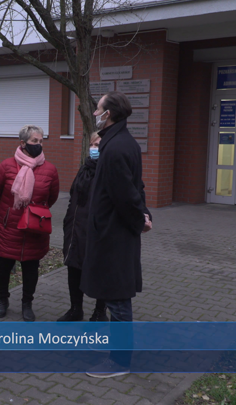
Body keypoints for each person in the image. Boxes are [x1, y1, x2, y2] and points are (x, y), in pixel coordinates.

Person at [82, 92, 153, 379]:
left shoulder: (115, 147)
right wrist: (144, 214)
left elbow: (126, 193)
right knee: (114, 295)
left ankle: (120, 361)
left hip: (114, 234)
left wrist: (140, 219)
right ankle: (116, 350)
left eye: (98, 108)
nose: (95, 113)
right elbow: (136, 186)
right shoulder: (120, 142)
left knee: (118, 298)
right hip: (113, 231)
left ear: (108, 113)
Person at [0, 125, 60, 322]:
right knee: (3, 267)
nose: (39, 144)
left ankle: (27, 304)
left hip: (34, 228)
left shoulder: (50, 169)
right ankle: (2, 300)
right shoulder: (6, 166)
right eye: (34, 141)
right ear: (22, 143)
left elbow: (52, 197)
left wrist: (34, 212)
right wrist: (11, 211)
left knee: (31, 268)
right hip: (9, 226)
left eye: (41, 141)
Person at [57, 132, 108, 322]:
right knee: (74, 268)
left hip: (97, 231)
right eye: (92, 145)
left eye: (99, 145)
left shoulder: (109, 171)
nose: (94, 149)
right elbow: (74, 196)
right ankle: (75, 309)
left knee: (100, 271)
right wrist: (68, 221)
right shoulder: (85, 168)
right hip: (75, 228)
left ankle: (100, 312)